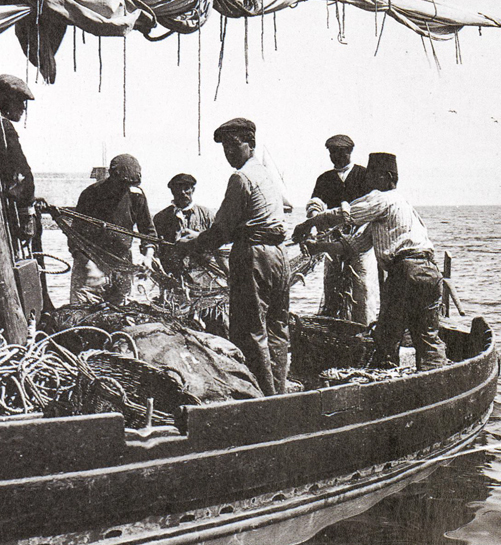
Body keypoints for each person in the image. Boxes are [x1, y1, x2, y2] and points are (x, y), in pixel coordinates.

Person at [293, 152, 447, 372]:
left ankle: (387, 387)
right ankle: (437, 385)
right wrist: (318, 247)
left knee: (387, 338)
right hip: (429, 273)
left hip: (405, 273)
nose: (367, 180)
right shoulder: (397, 207)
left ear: (386, 177)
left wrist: (309, 224)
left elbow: (345, 214)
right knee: (428, 336)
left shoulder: (382, 198)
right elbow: (352, 247)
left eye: (372, 175)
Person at [173, 118, 290, 395]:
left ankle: (263, 400)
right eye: (225, 147)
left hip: (253, 256)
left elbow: (220, 232)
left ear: (251, 144)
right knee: (277, 329)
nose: (228, 152)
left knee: (249, 331)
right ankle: (280, 394)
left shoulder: (241, 178)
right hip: (278, 256)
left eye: (234, 145)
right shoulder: (266, 174)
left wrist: (192, 242)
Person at [0, 74, 55, 313]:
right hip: (14, 215)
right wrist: (27, 211)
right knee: (31, 266)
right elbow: (22, 174)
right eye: (20, 102)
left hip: (2, 210)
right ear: (5, 100)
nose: (23, 109)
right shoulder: (2, 127)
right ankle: (39, 314)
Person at [69, 153, 157, 305]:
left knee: (122, 314)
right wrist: (86, 262)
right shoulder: (91, 194)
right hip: (91, 264)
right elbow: (74, 235)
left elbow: (148, 233)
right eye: (122, 184)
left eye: (130, 185)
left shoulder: (137, 196)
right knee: (83, 314)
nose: (125, 189)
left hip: (122, 263)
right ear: (112, 175)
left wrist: (148, 257)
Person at [306, 134, 373, 324]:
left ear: (350, 152)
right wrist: (314, 215)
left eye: (340, 152)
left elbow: (371, 205)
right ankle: (336, 331)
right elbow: (316, 202)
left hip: (360, 244)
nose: (335, 156)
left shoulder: (364, 175)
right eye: (332, 152)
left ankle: (363, 329)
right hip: (333, 244)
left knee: (362, 289)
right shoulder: (324, 179)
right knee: (332, 287)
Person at [153, 173, 215, 280]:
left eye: (186, 188)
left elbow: (216, 245)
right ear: (172, 192)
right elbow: (155, 250)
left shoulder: (207, 215)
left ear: (193, 190)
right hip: (171, 276)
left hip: (202, 276)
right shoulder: (160, 218)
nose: (182, 193)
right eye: (178, 189)